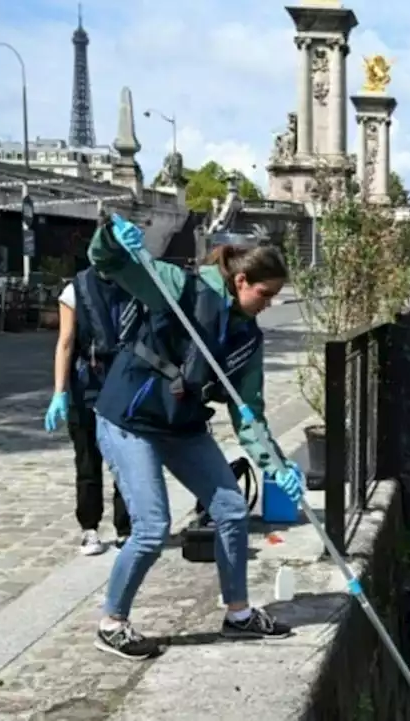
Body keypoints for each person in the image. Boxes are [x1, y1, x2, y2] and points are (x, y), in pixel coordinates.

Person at [87, 215, 305, 660]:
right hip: (131, 417)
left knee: (231, 509)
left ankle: (239, 615)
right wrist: (111, 236)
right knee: (151, 527)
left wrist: (278, 469)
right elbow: (108, 263)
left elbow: (250, 417)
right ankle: (112, 623)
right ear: (241, 280)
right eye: (265, 294)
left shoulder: (247, 338)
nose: (269, 303)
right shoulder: (178, 288)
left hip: (181, 425)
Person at [45, 268, 136, 555]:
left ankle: (126, 528)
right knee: (87, 460)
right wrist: (59, 391)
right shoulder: (75, 290)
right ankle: (89, 528)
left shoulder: (135, 283)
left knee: (127, 462)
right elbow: (66, 342)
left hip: (124, 383)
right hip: (86, 384)